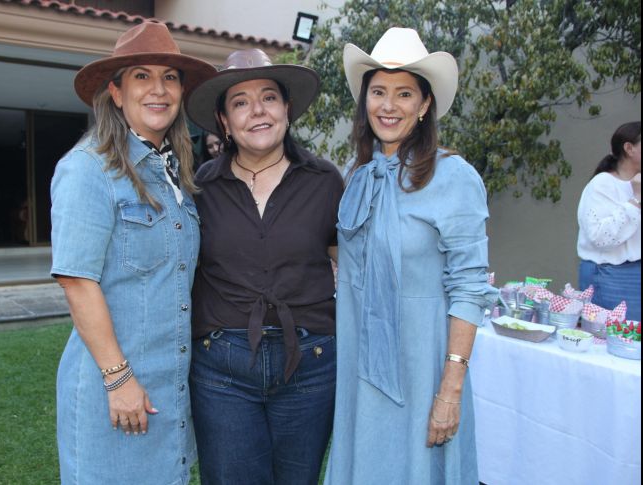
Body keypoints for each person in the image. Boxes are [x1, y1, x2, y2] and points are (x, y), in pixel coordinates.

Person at [323, 28, 498, 485]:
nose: (388, 105)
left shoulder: (454, 177)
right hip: (360, 361)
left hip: (422, 367)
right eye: (378, 91)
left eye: (404, 93)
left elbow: (469, 287)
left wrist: (451, 389)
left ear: (423, 106)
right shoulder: (357, 174)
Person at [49, 22, 215, 484]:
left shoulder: (176, 176)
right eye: (141, 76)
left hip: (169, 390)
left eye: (170, 77)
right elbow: (76, 281)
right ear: (116, 94)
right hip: (115, 391)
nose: (158, 89)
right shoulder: (87, 169)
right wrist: (118, 380)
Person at [185, 48, 343, 485]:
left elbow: (346, 265)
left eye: (269, 97)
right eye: (240, 102)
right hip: (222, 369)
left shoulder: (325, 180)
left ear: (286, 108)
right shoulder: (199, 188)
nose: (257, 111)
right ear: (223, 121)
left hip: (310, 363)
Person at [577, 121, 641, 320]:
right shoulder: (602, 185)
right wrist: (636, 200)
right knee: (616, 343)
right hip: (611, 275)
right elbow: (601, 237)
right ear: (629, 148)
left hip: (634, 272)